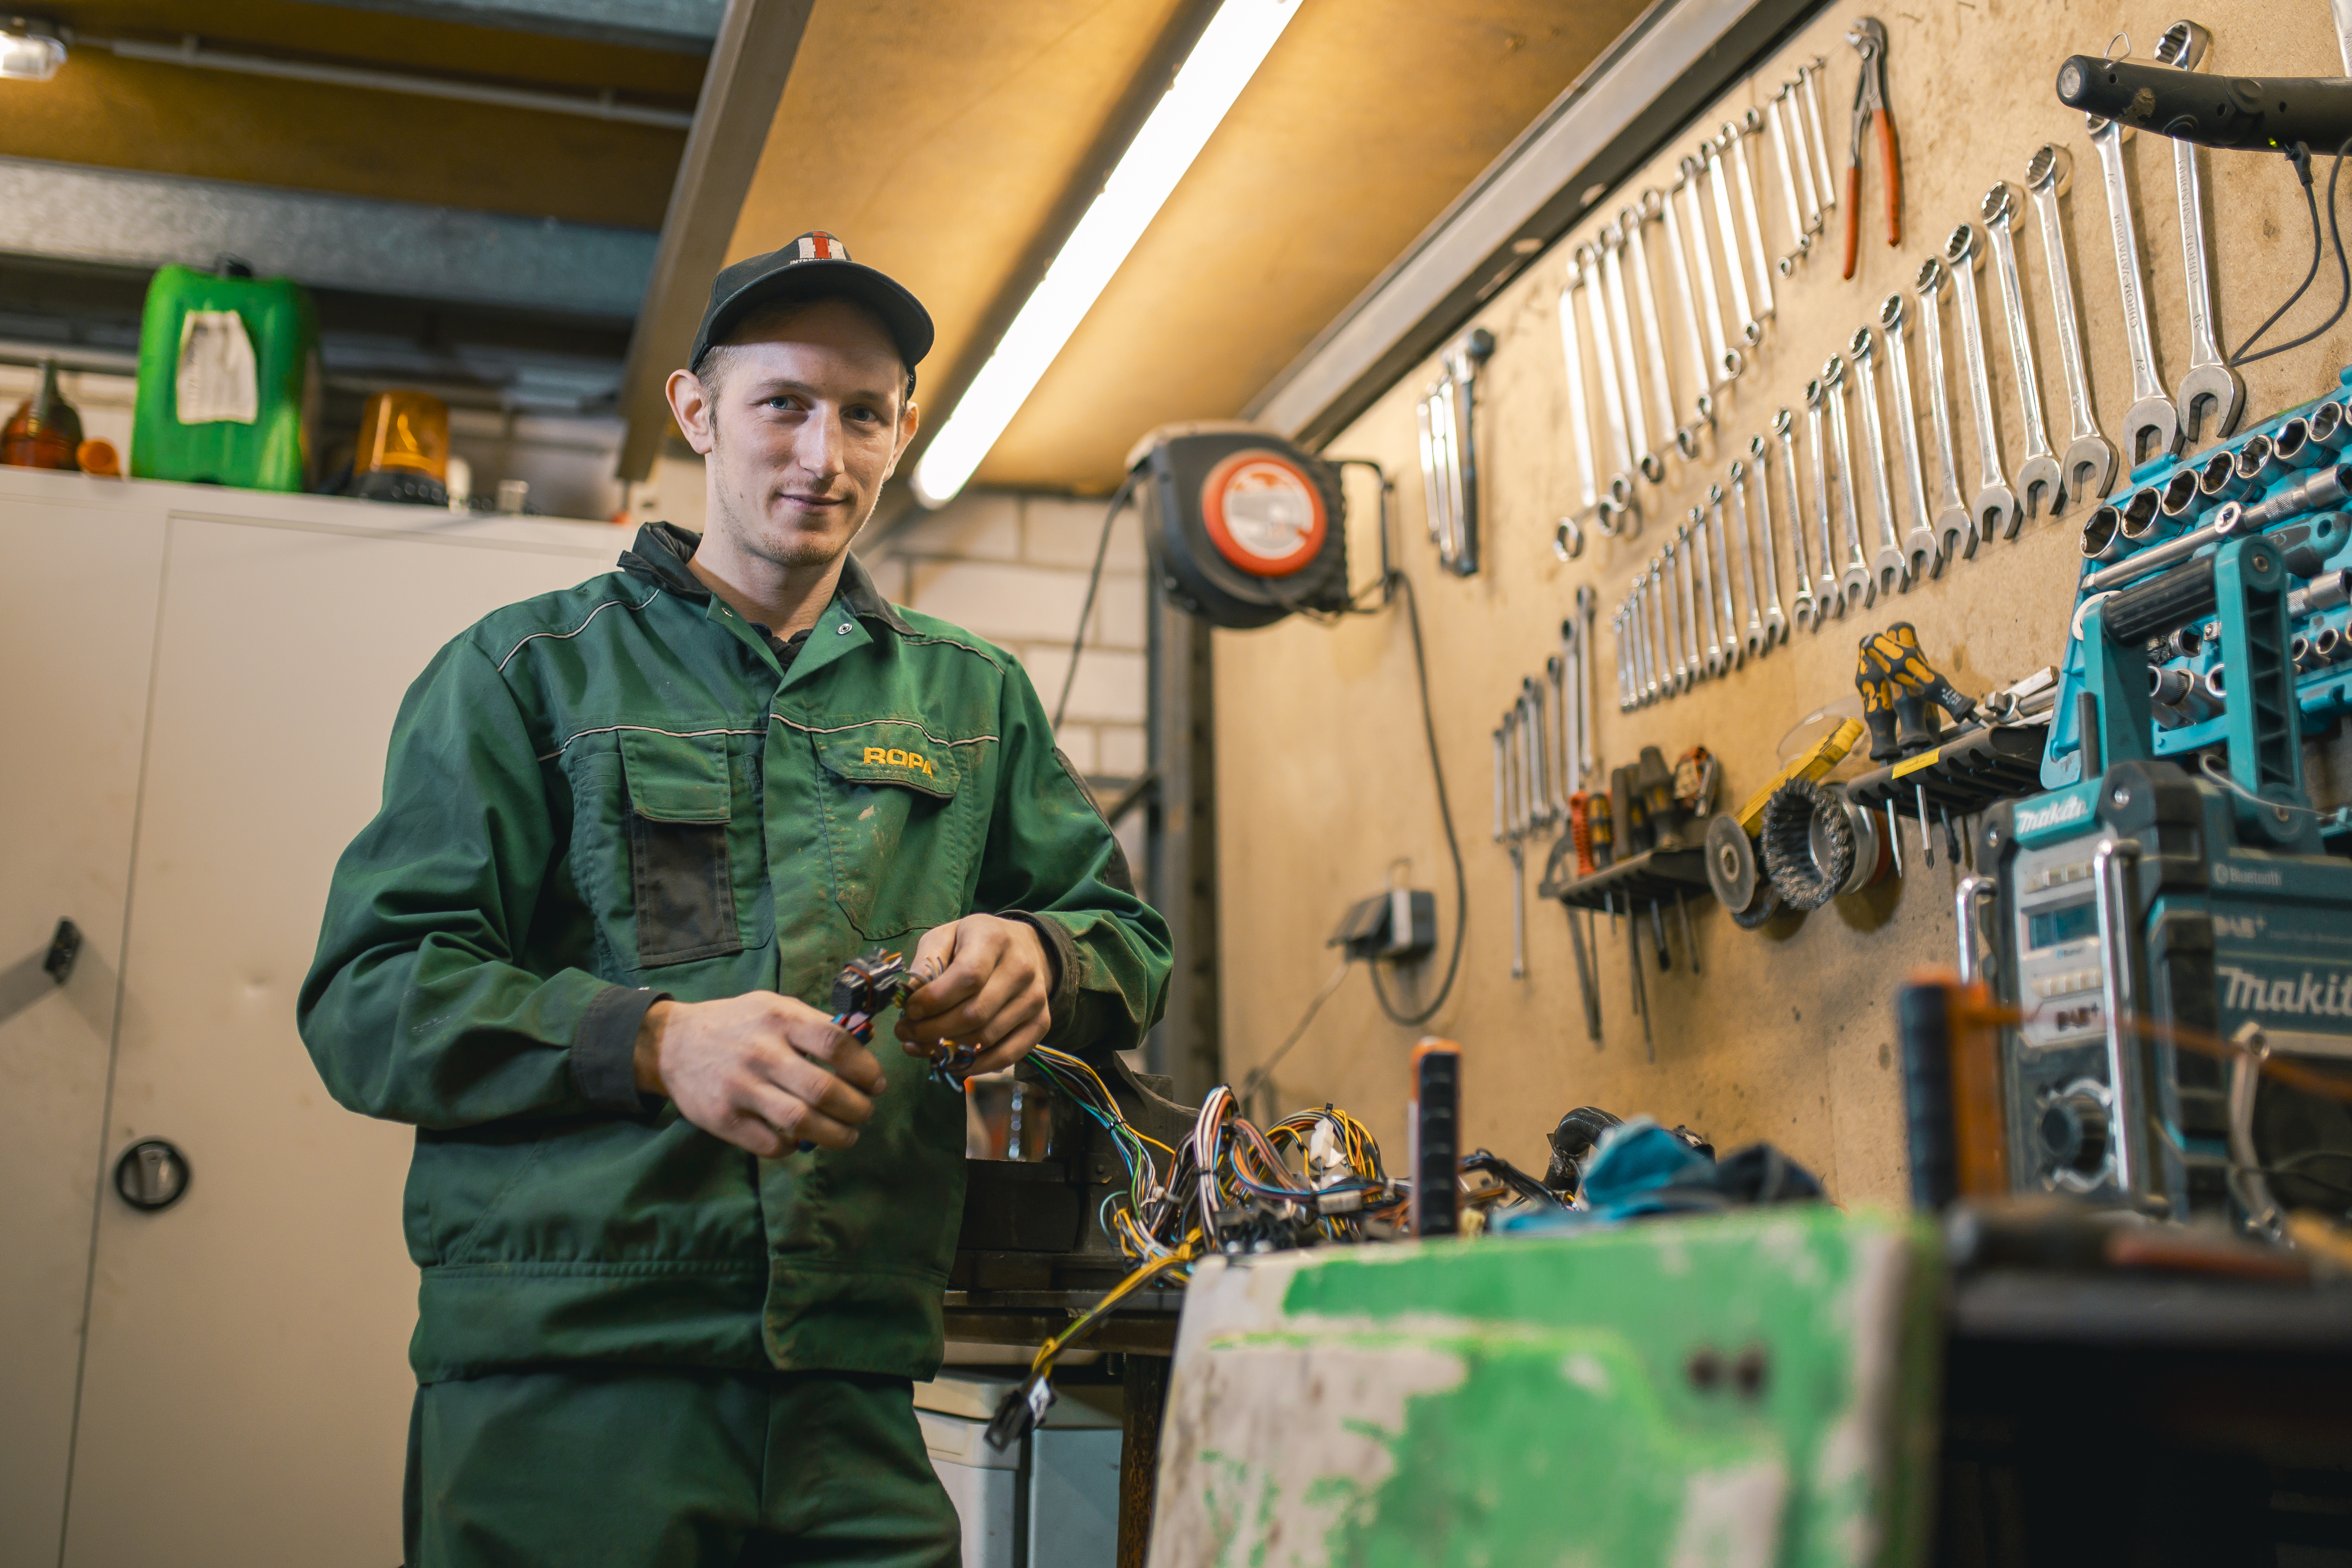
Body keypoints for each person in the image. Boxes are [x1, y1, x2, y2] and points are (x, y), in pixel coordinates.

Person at [298, 231, 1172, 1567]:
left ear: (903, 429)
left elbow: (1129, 942)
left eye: (863, 414)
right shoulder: (524, 676)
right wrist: (654, 1041)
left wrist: (1042, 957)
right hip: (574, 1391)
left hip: (857, 1387)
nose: (825, 456)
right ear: (699, 414)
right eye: (784, 406)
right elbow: (368, 998)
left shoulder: (968, 698)